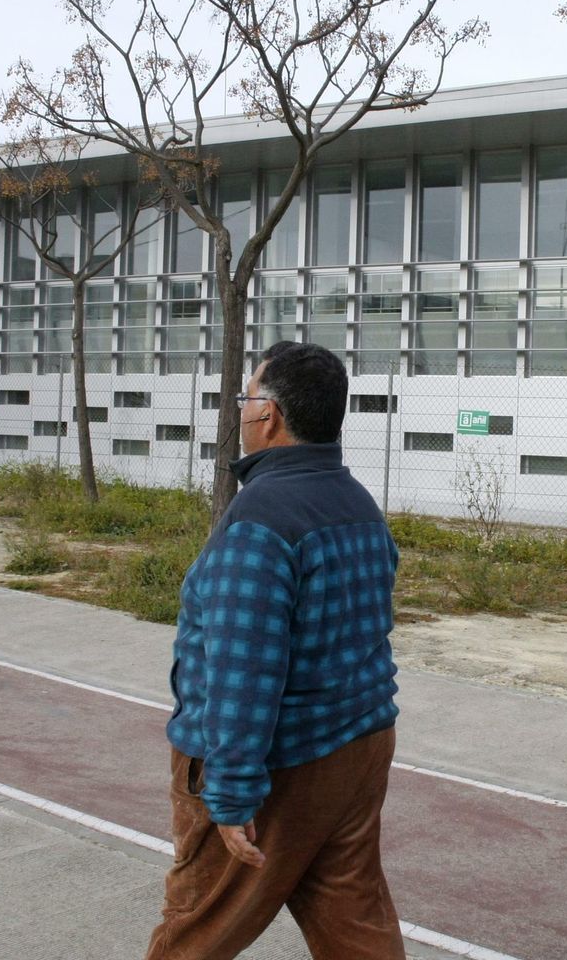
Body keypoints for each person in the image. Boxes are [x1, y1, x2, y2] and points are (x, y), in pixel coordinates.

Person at [144, 341, 405, 960]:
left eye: (247, 396)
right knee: (353, 917)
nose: (241, 410)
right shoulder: (358, 504)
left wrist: (232, 792)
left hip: (277, 767)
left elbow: (244, 667)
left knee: (197, 929)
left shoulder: (260, 519)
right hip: (358, 748)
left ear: (269, 416)